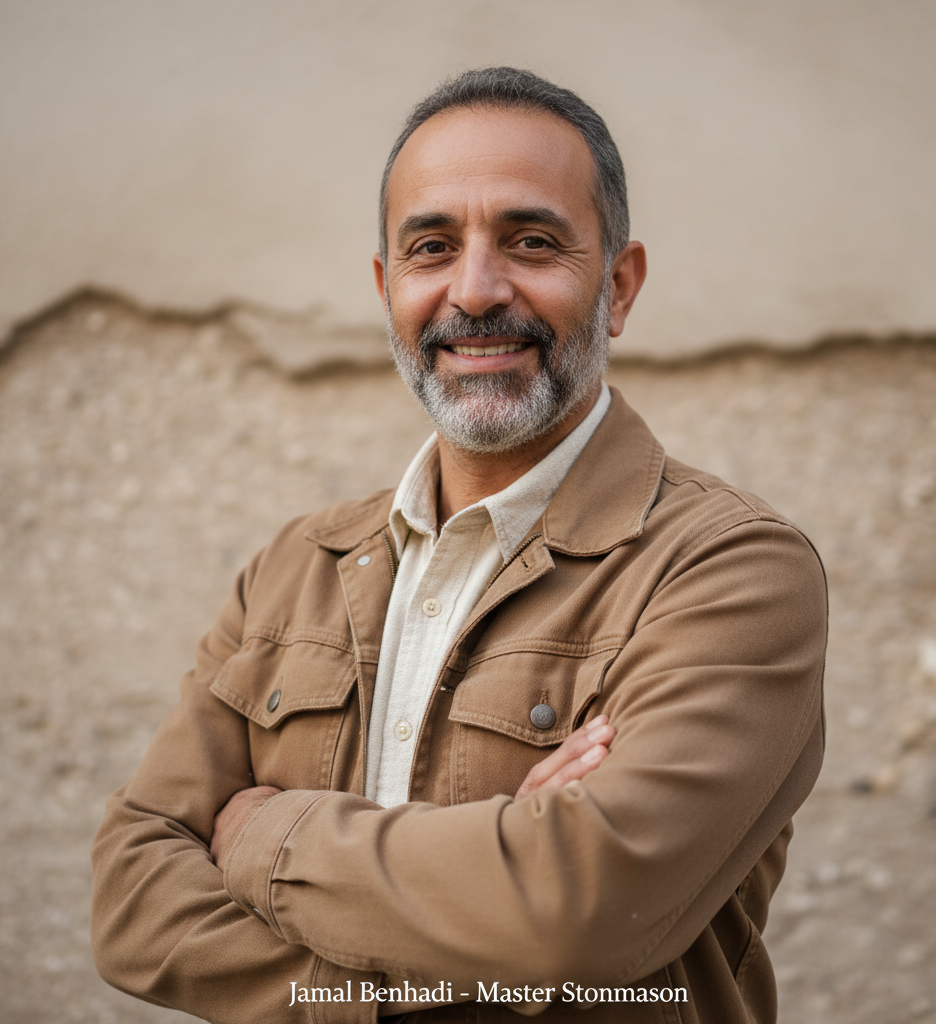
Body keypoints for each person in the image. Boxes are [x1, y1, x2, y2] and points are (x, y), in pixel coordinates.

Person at [91, 67, 827, 1024]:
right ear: (386, 285)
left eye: (531, 242)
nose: (475, 292)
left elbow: (572, 914)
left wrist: (262, 832)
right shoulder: (292, 570)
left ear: (620, 285)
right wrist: (488, 884)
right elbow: (131, 898)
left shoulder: (730, 572)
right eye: (432, 247)